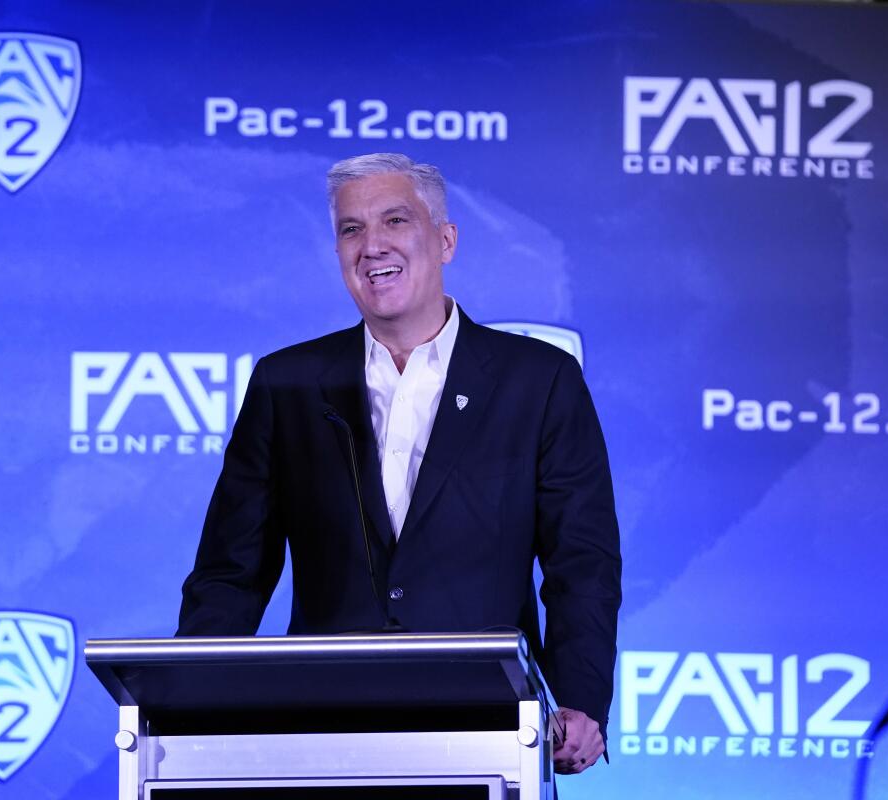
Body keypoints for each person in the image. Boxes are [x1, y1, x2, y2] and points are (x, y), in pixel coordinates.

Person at [178, 153, 621, 774]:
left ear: (445, 241)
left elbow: (583, 562)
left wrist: (578, 699)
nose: (371, 246)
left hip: (486, 733)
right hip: (320, 737)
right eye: (350, 229)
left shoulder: (539, 381)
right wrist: (187, 702)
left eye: (394, 220)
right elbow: (231, 571)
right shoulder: (289, 384)